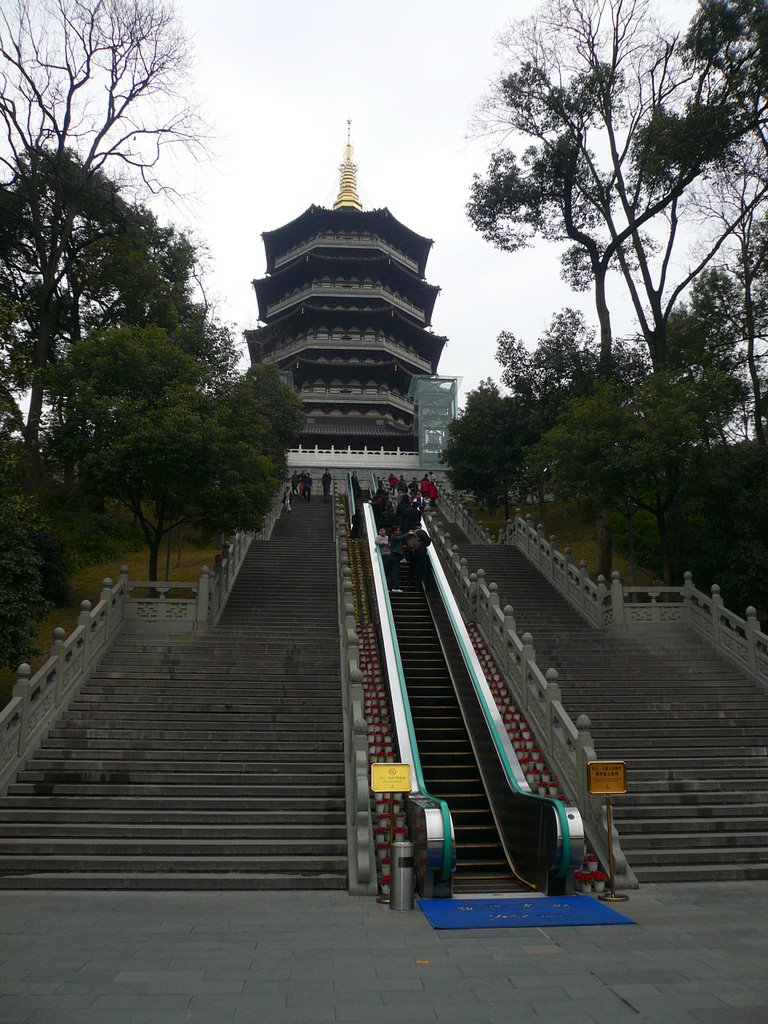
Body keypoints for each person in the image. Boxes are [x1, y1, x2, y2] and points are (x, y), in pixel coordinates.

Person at [387, 525, 404, 592]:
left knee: (391, 572)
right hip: (394, 557)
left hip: (393, 556)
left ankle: (389, 587)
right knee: (395, 572)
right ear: (394, 531)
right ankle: (395, 587)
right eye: (398, 530)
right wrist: (408, 534)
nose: (399, 532)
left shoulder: (393, 537)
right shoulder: (394, 537)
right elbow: (401, 538)